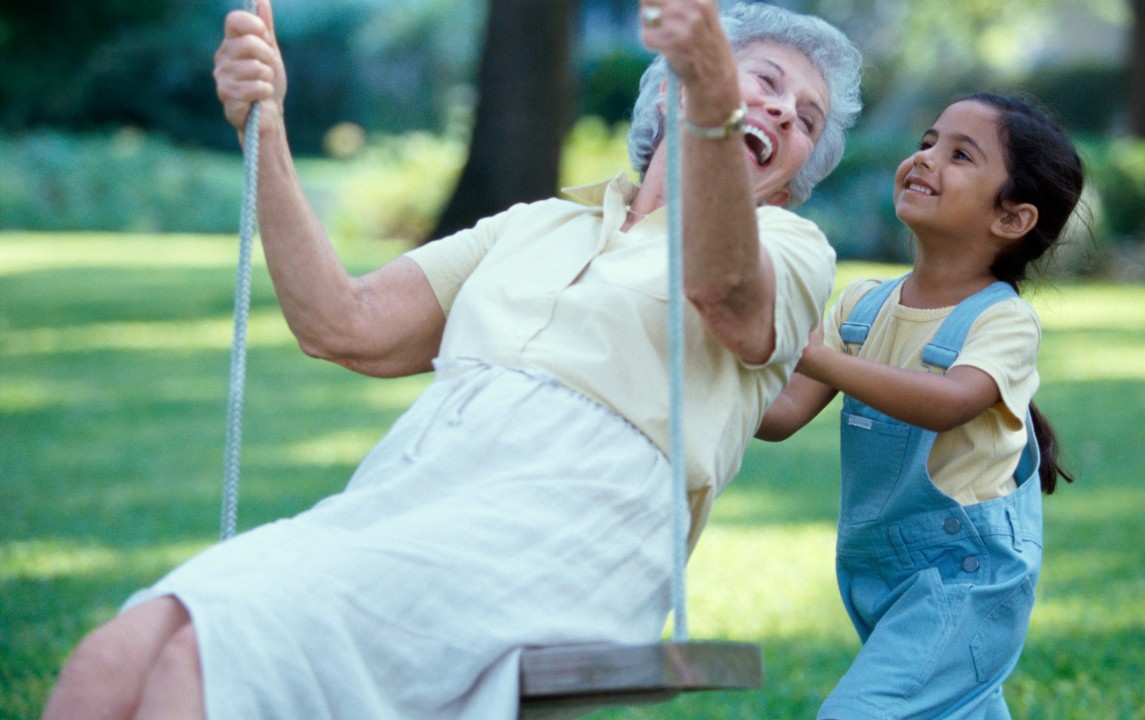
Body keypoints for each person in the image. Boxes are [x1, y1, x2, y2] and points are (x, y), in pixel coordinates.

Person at [40, 2, 863, 719]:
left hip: (573, 526)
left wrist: (723, 108)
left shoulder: (790, 249)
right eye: (764, 80)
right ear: (666, 90)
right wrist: (270, 127)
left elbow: (727, 294)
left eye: (808, 117)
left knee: (204, 665)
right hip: (415, 490)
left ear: (792, 183)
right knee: (122, 652)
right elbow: (344, 323)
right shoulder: (537, 224)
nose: (785, 111)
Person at [756, 92, 1084, 719]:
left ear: (1012, 219)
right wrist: (715, 368)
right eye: (929, 141)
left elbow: (949, 403)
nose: (926, 158)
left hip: (966, 579)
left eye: (960, 154)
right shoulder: (862, 306)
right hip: (877, 570)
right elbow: (780, 418)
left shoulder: (1003, 320)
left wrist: (822, 358)